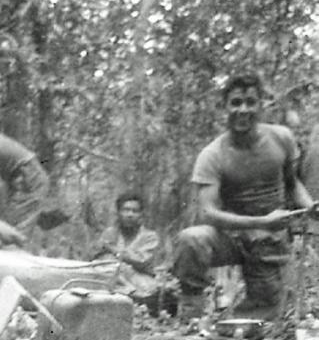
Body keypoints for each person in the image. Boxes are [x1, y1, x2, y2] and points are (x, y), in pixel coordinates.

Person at [173, 72, 315, 320]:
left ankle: (240, 318)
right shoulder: (213, 155)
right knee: (191, 240)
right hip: (231, 236)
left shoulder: (281, 138)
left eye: (251, 102)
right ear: (224, 107)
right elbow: (207, 212)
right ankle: (191, 317)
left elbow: (293, 185)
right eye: (236, 102)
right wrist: (260, 222)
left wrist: (309, 206)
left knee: (264, 318)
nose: (243, 110)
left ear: (261, 105)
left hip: (269, 241)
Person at [91, 191, 160, 298]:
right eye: (126, 210)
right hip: (112, 277)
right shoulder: (110, 233)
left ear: (141, 214)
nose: (130, 215)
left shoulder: (149, 236)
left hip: (141, 280)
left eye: (135, 211)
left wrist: (114, 250)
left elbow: (141, 261)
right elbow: (97, 258)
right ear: (118, 212)